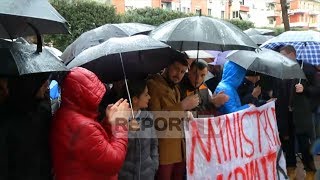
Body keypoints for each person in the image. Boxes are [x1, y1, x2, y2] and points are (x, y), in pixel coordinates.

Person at [51, 67, 130, 180]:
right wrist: (120, 123)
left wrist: (108, 121)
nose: (99, 101)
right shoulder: (83, 126)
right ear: (83, 96)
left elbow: (96, 147)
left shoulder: (69, 114)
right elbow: (113, 162)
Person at [147, 52, 199, 180]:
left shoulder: (175, 88)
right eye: (176, 69)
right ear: (167, 66)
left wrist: (186, 113)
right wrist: (182, 106)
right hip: (164, 151)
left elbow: (176, 114)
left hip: (179, 149)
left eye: (183, 72)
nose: (179, 75)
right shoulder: (153, 85)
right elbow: (156, 120)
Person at [273, 45, 317, 179]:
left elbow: (317, 90)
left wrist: (305, 89)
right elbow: (278, 91)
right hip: (284, 114)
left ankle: (310, 170)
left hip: (301, 115)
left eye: (283, 55)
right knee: (287, 142)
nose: (281, 58)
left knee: (304, 143)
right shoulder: (280, 70)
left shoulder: (307, 68)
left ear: (292, 54)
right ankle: (290, 168)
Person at [6, 73, 53, 180]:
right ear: (30, 85)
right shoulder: (8, 120)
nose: (46, 84)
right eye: (42, 82)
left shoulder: (43, 110)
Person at [118, 80, 159, 180]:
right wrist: (127, 130)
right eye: (146, 94)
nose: (149, 97)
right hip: (125, 176)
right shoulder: (118, 118)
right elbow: (116, 149)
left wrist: (154, 165)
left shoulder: (148, 117)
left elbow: (154, 144)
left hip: (146, 175)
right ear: (135, 99)